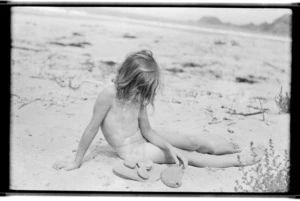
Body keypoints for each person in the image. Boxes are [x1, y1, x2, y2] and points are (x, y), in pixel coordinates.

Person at [53, 50, 264, 171]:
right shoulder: (108, 96)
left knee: (191, 141)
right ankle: (237, 161)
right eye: (141, 88)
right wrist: (76, 160)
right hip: (132, 149)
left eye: (146, 90)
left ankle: (220, 147)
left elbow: (149, 131)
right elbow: (91, 129)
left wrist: (167, 145)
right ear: (128, 79)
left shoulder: (138, 99)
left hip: (145, 137)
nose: (142, 94)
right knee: (186, 155)